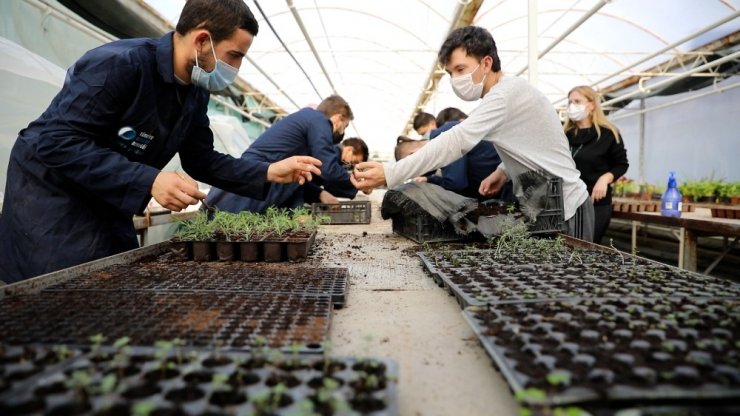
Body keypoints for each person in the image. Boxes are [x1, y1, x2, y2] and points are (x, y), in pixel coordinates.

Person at [0, 0, 322, 284]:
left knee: (118, 284)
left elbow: (200, 159)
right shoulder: (121, 64)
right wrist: (150, 179)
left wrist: (268, 172)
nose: (236, 68)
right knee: (63, 297)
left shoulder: (195, 91)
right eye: (234, 55)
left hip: (108, 198)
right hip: (54, 201)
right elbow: (55, 140)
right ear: (201, 39)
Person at [352, 26, 594, 241]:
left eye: (460, 69)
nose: (456, 79)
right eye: (450, 73)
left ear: (486, 63)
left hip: (566, 207)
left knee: (573, 284)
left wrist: (391, 172)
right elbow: (535, 143)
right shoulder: (509, 92)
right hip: (544, 204)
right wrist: (503, 171)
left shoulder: (503, 95)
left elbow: (457, 141)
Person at [206, 95, 358, 212]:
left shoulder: (308, 121)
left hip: (253, 181)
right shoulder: (319, 120)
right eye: (344, 126)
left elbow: (296, 177)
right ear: (339, 118)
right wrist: (358, 182)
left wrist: (319, 194)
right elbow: (327, 166)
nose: (342, 132)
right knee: (229, 234)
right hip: (253, 185)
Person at [564, 85, 629, 244]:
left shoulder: (608, 133)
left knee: (588, 246)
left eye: (577, 101)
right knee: (567, 247)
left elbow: (621, 164)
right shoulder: (564, 135)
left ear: (591, 105)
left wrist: (605, 179)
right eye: (570, 102)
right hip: (568, 202)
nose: (572, 106)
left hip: (596, 202)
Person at [305, 137, 369, 204]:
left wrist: (359, 186)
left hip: (305, 188)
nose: (352, 165)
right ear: (349, 150)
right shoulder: (332, 152)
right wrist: (359, 185)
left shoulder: (336, 159)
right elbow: (331, 173)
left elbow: (330, 184)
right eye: (354, 161)